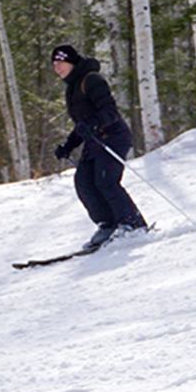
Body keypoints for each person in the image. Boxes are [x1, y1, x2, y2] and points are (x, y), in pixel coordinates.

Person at [50, 44, 148, 250]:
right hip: (95, 143)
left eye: (60, 63)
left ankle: (134, 224)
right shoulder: (72, 88)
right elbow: (81, 125)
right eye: (54, 65)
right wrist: (68, 146)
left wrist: (94, 123)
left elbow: (110, 112)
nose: (56, 68)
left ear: (71, 62)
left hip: (113, 137)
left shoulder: (91, 80)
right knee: (83, 182)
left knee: (106, 181)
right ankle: (108, 224)